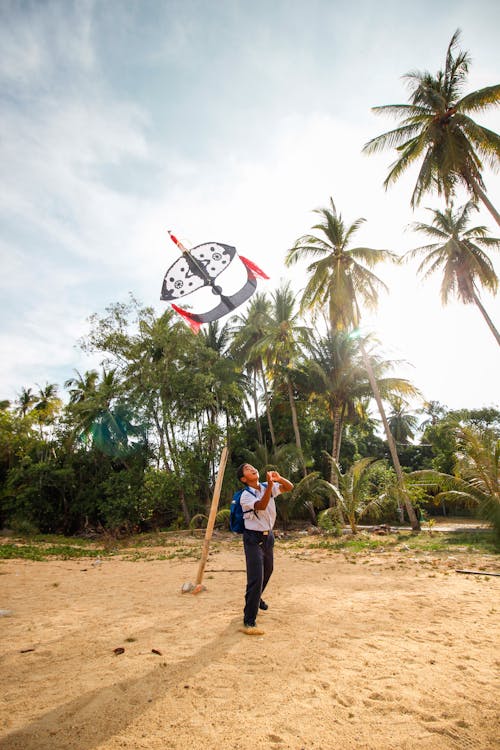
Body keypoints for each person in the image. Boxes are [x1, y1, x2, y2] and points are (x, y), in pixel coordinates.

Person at [236, 463, 294, 635]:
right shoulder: (245, 496)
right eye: (247, 469)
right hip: (252, 538)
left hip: (267, 536)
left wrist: (278, 478)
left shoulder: (264, 486)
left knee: (268, 570)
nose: (252, 468)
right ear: (244, 479)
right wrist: (269, 486)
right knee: (256, 577)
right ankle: (249, 620)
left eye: (252, 466)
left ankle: (255, 598)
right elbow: (261, 505)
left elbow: (289, 487)